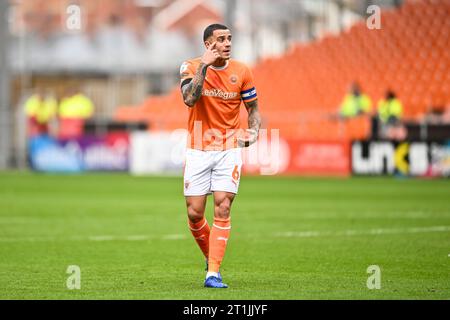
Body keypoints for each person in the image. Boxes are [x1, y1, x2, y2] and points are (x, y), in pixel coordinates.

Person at [179, 24, 262, 288]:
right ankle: (211, 256)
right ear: (208, 44)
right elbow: (190, 99)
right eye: (221, 39)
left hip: (228, 148)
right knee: (194, 213)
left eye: (229, 39)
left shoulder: (242, 71)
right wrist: (204, 66)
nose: (227, 43)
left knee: (223, 207)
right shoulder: (190, 67)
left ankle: (213, 273)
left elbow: (254, 108)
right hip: (198, 148)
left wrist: (255, 130)